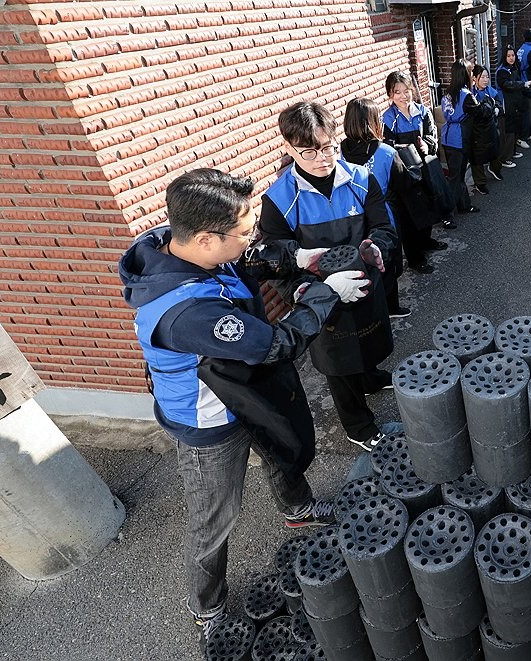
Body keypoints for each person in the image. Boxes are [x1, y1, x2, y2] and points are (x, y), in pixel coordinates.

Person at [119, 168, 368, 642]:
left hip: (244, 388)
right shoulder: (188, 312)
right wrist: (324, 294)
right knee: (215, 516)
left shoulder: (180, 246)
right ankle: (207, 606)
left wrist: (299, 256)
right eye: (244, 229)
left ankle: (297, 509)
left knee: (282, 450)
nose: (251, 235)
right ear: (208, 239)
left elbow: (248, 259)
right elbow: (273, 344)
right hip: (209, 419)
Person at [259, 101, 397, 450]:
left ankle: (370, 376)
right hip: (323, 298)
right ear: (289, 148)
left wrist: (376, 248)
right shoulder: (279, 201)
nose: (323, 158)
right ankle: (358, 425)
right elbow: (278, 262)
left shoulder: (361, 180)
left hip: (365, 282)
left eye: (328, 147)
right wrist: (300, 290)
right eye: (310, 152)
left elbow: (383, 226)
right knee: (339, 362)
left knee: (370, 340)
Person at [342, 97, 413, 315]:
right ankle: (390, 308)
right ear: (373, 122)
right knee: (387, 263)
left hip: (351, 219)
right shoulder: (385, 152)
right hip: (383, 217)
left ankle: (370, 308)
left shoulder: (339, 152)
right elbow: (404, 184)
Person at [382, 71, 456, 234]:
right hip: (407, 166)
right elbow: (388, 146)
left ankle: (444, 217)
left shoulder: (423, 111)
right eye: (397, 92)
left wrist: (427, 144)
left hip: (427, 160)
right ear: (390, 94)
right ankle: (423, 240)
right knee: (417, 203)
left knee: (436, 191)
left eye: (406, 90)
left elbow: (433, 135)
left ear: (412, 90)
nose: (403, 96)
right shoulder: (388, 118)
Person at [440, 60, 487, 214]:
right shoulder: (466, 95)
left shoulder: (447, 93)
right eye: (471, 72)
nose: (473, 75)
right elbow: (481, 112)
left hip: (447, 137)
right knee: (455, 177)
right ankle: (447, 214)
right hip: (459, 139)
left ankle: (464, 205)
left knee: (457, 176)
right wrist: (489, 105)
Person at [470, 65, 504, 191]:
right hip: (476, 131)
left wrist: (497, 109)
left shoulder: (491, 91)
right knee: (477, 157)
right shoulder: (470, 93)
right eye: (482, 77)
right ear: (474, 78)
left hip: (491, 127)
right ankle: (480, 182)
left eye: (487, 77)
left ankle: (495, 169)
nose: (485, 80)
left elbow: (500, 105)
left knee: (494, 151)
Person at [493, 47, 530, 165]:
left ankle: (512, 152)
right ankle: (505, 158)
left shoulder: (513, 68)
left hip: (513, 104)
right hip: (505, 105)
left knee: (514, 129)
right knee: (508, 131)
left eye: (513, 55)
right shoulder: (502, 71)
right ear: (504, 57)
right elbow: (506, 85)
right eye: (508, 56)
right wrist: (522, 84)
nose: (511, 58)